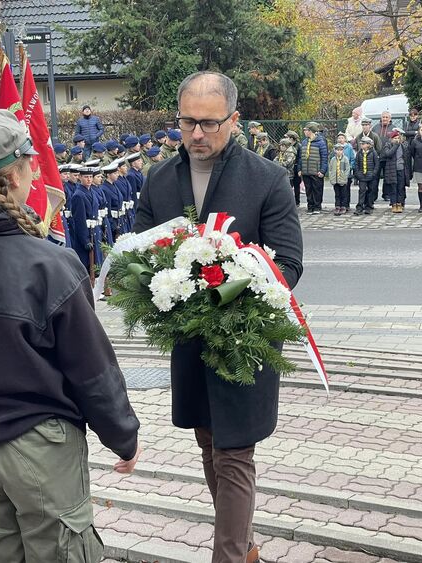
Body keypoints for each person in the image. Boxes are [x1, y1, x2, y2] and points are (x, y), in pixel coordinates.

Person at [0, 109, 140, 562]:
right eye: (31, 163)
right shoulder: (51, 263)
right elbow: (92, 368)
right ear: (16, 177)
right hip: (41, 444)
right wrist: (123, 436)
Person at [134, 71, 303, 563]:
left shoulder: (266, 178)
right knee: (209, 443)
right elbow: (138, 252)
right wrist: (165, 289)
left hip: (243, 339)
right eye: (187, 122)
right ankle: (245, 548)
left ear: (234, 120)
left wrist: (227, 292)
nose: (196, 134)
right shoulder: (159, 178)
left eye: (209, 123)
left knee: (234, 451)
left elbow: (289, 263)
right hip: (189, 338)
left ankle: (229, 556)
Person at [299, 122, 328, 215]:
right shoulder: (304, 142)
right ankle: (310, 206)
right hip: (306, 171)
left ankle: (317, 206)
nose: (304, 132)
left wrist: (322, 171)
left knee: (317, 190)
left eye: (306, 130)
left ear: (310, 131)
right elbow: (301, 157)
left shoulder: (321, 142)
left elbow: (324, 158)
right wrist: (300, 169)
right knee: (308, 190)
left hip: (316, 171)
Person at [353, 137, 379, 215]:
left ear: (368, 145)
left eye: (363, 144)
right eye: (361, 144)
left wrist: (374, 173)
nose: (361, 145)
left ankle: (369, 206)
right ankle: (360, 207)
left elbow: (376, 164)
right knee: (362, 191)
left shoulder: (373, 153)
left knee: (371, 191)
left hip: (371, 175)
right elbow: (356, 164)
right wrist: (358, 173)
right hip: (362, 176)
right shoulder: (359, 153)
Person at [329, 143, 351, 216]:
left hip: (342, 180)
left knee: (343, 194)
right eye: (337, 150)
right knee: (337, 194)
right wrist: (331, 178)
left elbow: (347, 169)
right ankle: (337, 206)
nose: (339, 151)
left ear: (343, 151)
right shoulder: (333, 160)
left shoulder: (345, 159)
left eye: (341, 150)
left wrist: (344, 177)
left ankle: (343, 206)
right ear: (335, 151)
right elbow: (330, 169)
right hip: (335, 180)